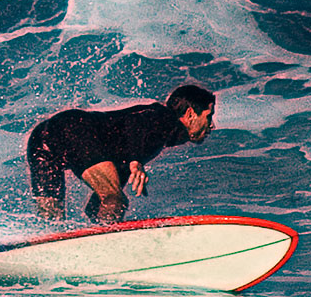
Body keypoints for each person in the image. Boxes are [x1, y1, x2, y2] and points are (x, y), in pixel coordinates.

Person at [26, 84, 216, 222]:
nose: (211, 125)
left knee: (52, 219)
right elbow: (136, 123)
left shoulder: (144, 141)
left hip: (42, 138)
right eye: (208, 116)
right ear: (190, 114)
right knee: (115, 199)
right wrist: (135, 161)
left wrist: (100, 218)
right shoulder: (164, 118)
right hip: (72, 128)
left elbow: (97, 209)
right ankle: (103, 250)